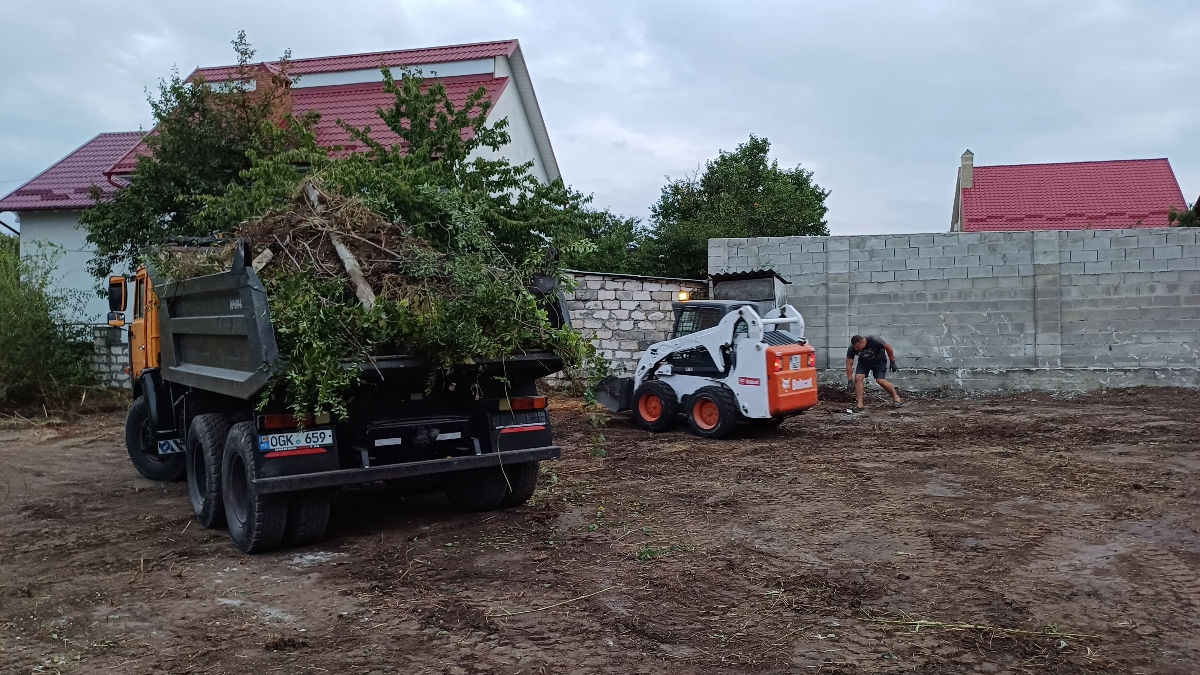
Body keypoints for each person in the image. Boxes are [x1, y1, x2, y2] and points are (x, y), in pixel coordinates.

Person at [845, 334, 902, 411]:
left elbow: (889, 348)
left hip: (879, 362)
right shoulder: (852, 348)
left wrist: (892, 362)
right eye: (855, 347)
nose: (856, 349)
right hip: (864, 363)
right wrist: (850, 381)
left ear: (862, 342)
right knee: (858, 377)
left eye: (858, 347)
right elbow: (849, 364)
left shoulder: (874, 340)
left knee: (880, 380)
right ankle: (860, 405)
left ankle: (896, 398)